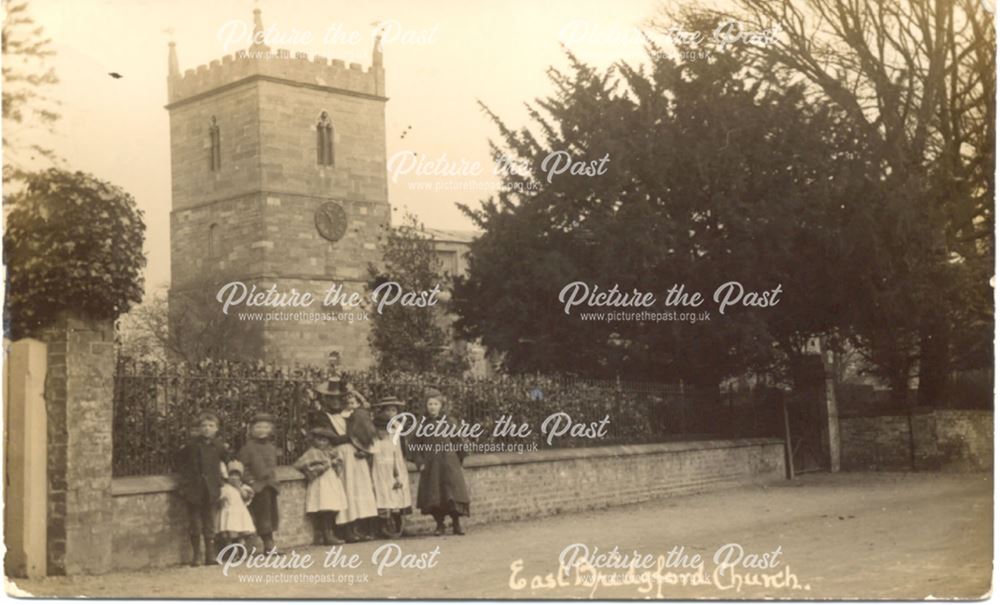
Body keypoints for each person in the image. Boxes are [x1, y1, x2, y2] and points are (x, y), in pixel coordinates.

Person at [311, 377, 378, 542]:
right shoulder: (321, 416)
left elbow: (362, 431)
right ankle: (344, 529)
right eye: (330, 398)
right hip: (338, 455)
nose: (335, 401)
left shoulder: (348, 414)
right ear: (324, 399)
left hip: (354, 454)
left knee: (358, 490)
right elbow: (330, 438)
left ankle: (356, 528)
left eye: (338, 397)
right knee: (345, 489)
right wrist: (349, 438)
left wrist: (363, 447)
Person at [413, 389, 471, 536]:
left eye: (435, 404)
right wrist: (420, 462)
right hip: (431, 465)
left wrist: (460, 460)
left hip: (449, 463)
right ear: (426, 406)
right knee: (435, 494)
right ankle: (440, 525)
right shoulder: (422, 424)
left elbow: (458, 441)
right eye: (430, 404)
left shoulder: (449, 422)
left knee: (453, 494)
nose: (432, 407)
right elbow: (414, 446)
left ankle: (456, 524)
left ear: (441, 406)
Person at [176, 411, 230, 566]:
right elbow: (180, 463)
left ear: (216, 429)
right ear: (199, 429)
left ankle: (210, 555)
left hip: (212, 489)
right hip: (194, 490)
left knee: (209, 522)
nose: (207, 428)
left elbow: (228, 461)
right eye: (203, 426)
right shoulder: (190, 446)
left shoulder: (219, 446)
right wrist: (185, 484)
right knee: (195, 523)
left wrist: (223, 481)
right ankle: (196, 556)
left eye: (211, 426)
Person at [293, 427, 347, 545]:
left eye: (324, 440)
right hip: (321, 482)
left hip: (331, 480)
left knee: (333, 507)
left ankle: (330, 533)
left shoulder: (332, 452)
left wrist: (336, 464)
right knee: (325, 507)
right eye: (318, 439)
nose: (321, 443)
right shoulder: (312, 452)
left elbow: (339, 465)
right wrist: (322, 466)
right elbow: (299, 464)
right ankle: (326, 534)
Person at [238, 412, 282, 553]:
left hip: (270, 485)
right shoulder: (247, 448)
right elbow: (242, 468)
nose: (262, 430)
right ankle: (268, 544)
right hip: (257, 487)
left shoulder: (271, 447)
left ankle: (270, 542)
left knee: (271, 513)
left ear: (271, 430)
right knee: (262, 515)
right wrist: (250, 481)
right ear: (251, 430)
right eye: (258, 427)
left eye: (265, 427)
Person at [370, 396, 413, 538]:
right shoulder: (379, 424)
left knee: (400, 487)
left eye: (393, 410)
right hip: (383, 459)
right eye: (387, 410)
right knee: (384, 486)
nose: (390, 413)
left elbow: (404, 440)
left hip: (397, 458)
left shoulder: (399, 425)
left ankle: (399, 522)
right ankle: (385, 524)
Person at [217, 460, 256, 549]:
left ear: (240, 477)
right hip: (229, 514)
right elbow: (220, 498)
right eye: (231, 475)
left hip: (240, 514)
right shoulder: (225, 488)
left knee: (240, 535)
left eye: (236, 475)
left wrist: (239, 488)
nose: (234, 478)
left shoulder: (243, 488)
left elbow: (246, 496)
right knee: (229, 535)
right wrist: (221, 499)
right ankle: (232, 552)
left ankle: (241, 549)